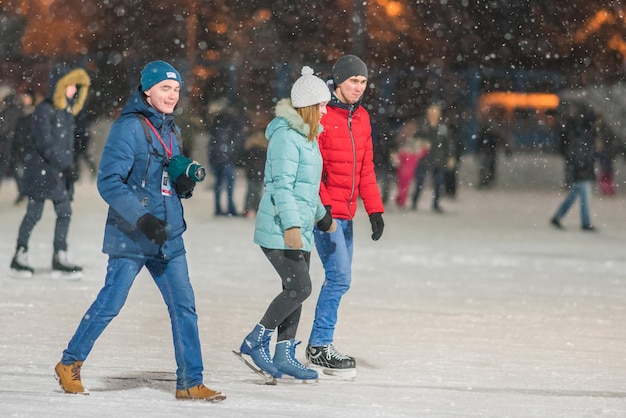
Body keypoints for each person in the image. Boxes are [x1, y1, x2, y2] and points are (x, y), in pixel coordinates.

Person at [54, 60, 225, 402]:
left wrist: (182, 185)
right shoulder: (128, 128)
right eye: (165, 88)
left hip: (168, 235)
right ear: (147, 90)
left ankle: (190, 381)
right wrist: (142, 218)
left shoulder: (171, 130)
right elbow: (109, 182)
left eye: (176, 89)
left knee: (184, 307)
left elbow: (164, 181)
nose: (172, 95)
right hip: (132, 235)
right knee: (111, 303)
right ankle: (69, 363)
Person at [238, 66, 336, 381]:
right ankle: (255, 340)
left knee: (295, 290)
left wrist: (322, 215)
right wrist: (293, 227)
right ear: (307, 106)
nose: (325, 110)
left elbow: (305, 188)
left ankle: (283, 354)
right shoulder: (285, 137)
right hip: (280, 229)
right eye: (321, 105)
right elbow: (280, 187)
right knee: (300, 287)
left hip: (300, 228)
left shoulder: (308, 138)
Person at [306, 55, 385, 378]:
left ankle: (318, 343)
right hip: (327, 215)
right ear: (338, 82)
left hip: (348, 213)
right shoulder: (322, 114)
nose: (358, 87)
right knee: (339, 277)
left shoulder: (362, 117)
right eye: (353, 81)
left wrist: (375, 209)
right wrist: (323, 211)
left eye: (363, 82)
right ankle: (319, 346)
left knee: (339, 279)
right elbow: (315, 169)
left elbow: (365, 168)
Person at [9, 66, 90, 279]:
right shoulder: (45, 110)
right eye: (70, 85)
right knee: (33, 214)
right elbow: (45, 143)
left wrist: (69, 164)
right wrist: (66, 165)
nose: (74, 89)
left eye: (76, 85)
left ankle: (60, 254)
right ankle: (20, 255)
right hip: (42, 172)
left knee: (65, 213)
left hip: (59, 173)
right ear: (60, 86)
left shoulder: (66, 112)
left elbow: (67, 144)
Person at [550, 102, 597, 231]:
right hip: (581, 170)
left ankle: (558, 217)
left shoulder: (581, 132)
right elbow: (580, 153)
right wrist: (581, 168)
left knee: (574, 196)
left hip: (580, 169)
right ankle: (585, 222)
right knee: (584, 197)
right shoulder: (584, 134)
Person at [410, 103, 456, 213]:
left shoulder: (443, 128)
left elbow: (449, 143)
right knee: (420, 182)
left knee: (438, 183)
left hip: (439, 159)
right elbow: (415, 140)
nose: (433, 115)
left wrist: (451, 156)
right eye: (431, 112)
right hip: (425, 159)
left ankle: (435, 204)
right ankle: (414, 202)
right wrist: (421, 143)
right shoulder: (423, 126)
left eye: (435, 112)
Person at [206, 97, 244, 216]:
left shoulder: (216, 124)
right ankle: (229, 207)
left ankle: (219, 208)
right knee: (228, 183)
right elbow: (235, 139)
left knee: (220, 183)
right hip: (226, 157)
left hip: (219, 157)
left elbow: (212, 143)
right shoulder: (230, 124)